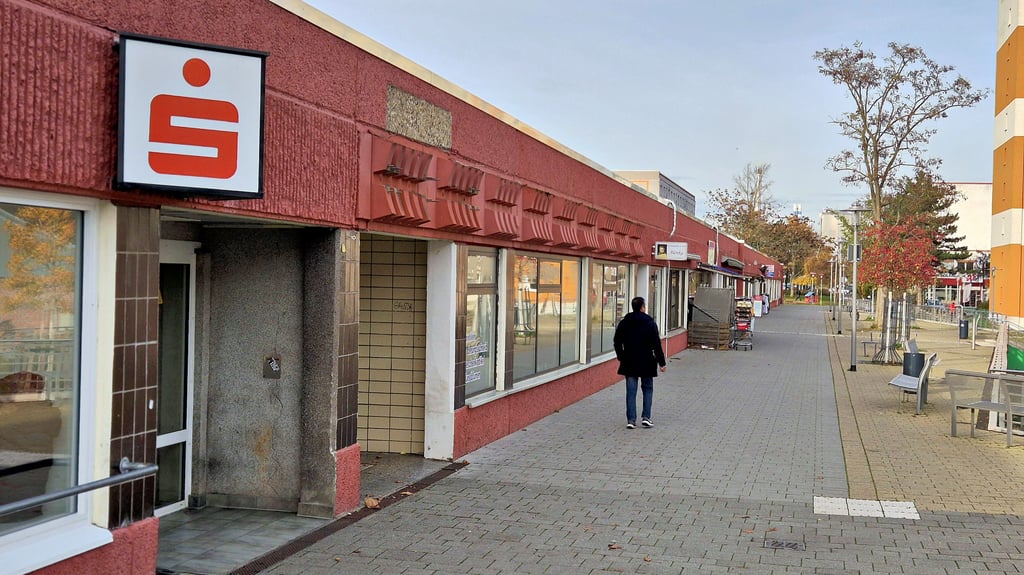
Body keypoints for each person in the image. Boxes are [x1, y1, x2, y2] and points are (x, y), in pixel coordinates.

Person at [613, 296, 667, 429]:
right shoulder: (650, 323)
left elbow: (617, 341)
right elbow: (656, 344)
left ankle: (631, 420)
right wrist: (662, 362)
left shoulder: (625, 322)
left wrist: (621, 356)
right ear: (643, 307)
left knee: (631, 391)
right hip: (647, 361)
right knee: (647, 389)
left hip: (629, 361)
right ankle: (646, 417)